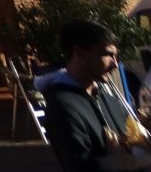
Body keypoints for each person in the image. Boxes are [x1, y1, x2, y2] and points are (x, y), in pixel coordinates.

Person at [42, 20, 135, 171]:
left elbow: (133, 137)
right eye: (108, 55)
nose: (115, 64)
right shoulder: (62, 106)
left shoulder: (106, 95)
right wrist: (137, 162)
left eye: (115, 56)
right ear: (79, 53)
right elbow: (81, 166)